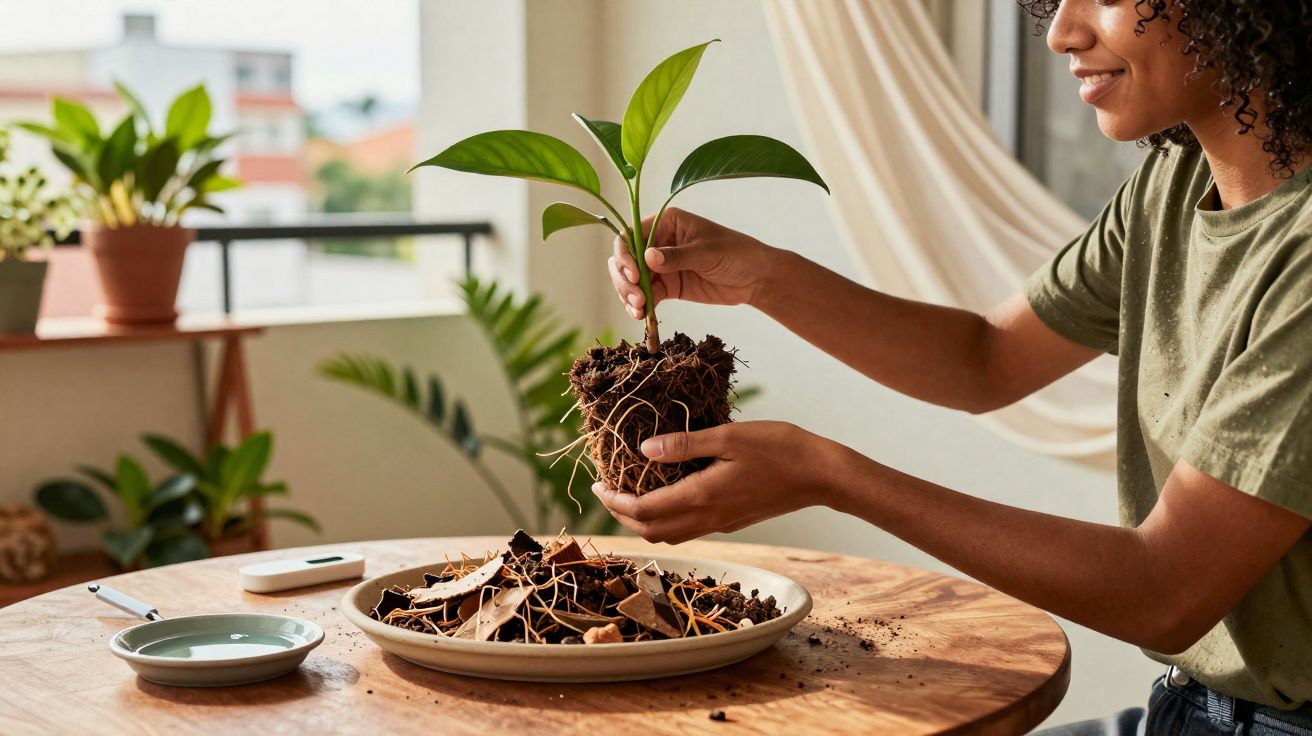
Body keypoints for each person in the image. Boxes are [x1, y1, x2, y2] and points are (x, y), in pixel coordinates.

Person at [594, 0, 1312, 733]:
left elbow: (1162, 590)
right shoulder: (1175, 183)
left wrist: (828, 475)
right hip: (1187, 705)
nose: (1061, 33)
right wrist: (760, 276)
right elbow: (985, 359)